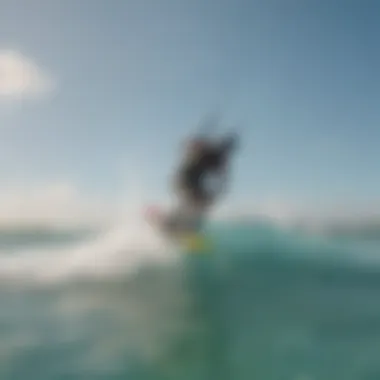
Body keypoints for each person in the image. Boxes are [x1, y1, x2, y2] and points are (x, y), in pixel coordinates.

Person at [171, 132, 239, 225]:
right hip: (187, 177)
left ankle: (185, 224)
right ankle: (176, 223)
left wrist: (216, 194)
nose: (226, 150)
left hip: (193, 180)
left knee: (200, 202)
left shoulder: (220, 158)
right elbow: (191, 146)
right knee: (194, 201)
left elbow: (222, 177)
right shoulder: (211, 148)